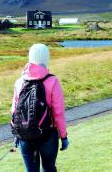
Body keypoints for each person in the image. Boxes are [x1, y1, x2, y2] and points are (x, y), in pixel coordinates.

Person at [11, 43, 69, 172]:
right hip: (48, 135)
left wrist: (16, 135)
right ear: (46, 58)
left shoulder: (20, 81)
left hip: (25, 136)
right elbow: (58, 113)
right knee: (49, 169)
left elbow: (14, 112)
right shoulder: (52, 81)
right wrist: (64, 137)